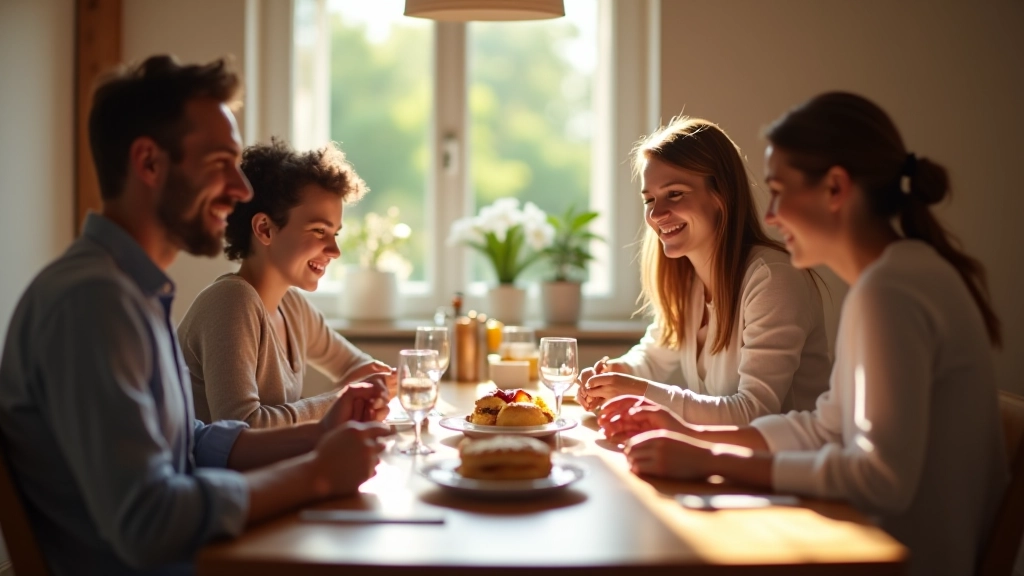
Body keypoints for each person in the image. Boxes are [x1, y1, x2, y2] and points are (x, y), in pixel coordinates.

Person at [0, 55, 390, 576]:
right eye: (218, 163)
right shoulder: (91, 302)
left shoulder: (135, 291)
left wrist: (318, 435)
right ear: (149, 163)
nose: (242, 190)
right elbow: (149, 521)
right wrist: (317, 474)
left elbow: (193, 443)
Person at [601, 92, 1007, 576]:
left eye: (778, 190)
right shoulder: (886, 281)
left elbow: (881, 480)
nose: (770, 214)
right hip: (869, 541)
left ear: (835, 188)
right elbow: (824, 428)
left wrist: (711, 458)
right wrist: (693, 435)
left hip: (898, 555)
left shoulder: (890, 292)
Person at [576, 117, 831, 425]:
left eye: (675, 193)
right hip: (730, 466)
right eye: (650, 199)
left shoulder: (773, 279)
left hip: (788, 468)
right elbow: (651, 357)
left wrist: (637, 390)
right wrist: (617, 374)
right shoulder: (687, 281)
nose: (656, 214)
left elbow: (754, 412)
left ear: (720, 195)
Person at [177, 139, 396, 428]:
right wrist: (341, 401)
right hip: (209, 472)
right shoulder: (231, 302)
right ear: (265, 229)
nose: (334, 251)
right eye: (319, 230)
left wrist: (386, 381)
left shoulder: (292, 306)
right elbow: (241, 429)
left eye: (335, 234)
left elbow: (354, 366)